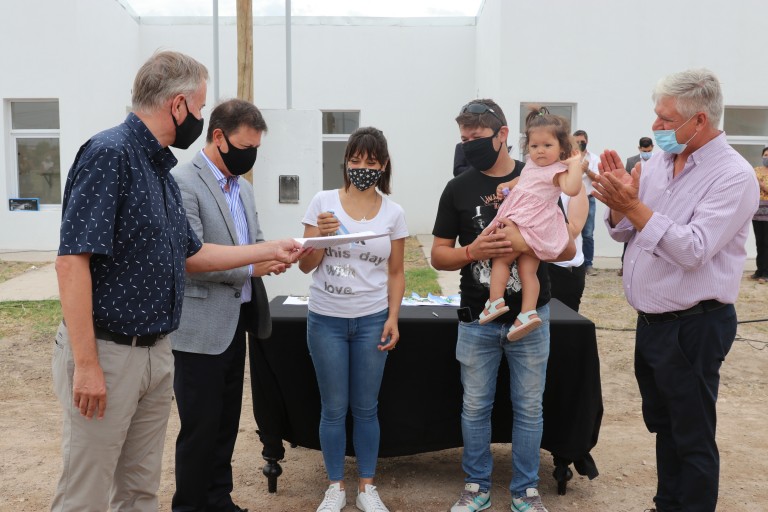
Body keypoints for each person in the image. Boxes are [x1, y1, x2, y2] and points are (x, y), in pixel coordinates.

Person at [51, 51, 303, 512]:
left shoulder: (161, 171)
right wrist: (86, 364)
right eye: (201, 108)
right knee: (85, 493)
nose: (201, 119)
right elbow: (71, 263)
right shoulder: (109, 154)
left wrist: (270, 249)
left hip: (155, 350)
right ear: (178, 104)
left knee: (139, 489)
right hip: (109, 352)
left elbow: (195, 253)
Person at [593, 68, 759, 512]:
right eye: (656, 115)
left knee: (692, 434)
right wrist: (619, 205)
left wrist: (634, 207)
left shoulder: (732, 176)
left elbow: (692, 249)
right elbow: (625, 231)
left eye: (666, 119)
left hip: (694, 325)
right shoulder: (660, 163)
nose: (656, 126)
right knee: (664, 425)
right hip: (653, 323)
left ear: (699, 120)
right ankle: (667, 504)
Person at [432, 99, 576, 512]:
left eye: (476, 137)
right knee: (474, 407)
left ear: (503, 135)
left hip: (531, 317)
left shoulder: (541, 174)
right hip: (477, 319)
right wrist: (472, 251)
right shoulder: (457, 188)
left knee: (529, 409)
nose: (469, 145)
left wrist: (524, 241)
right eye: (464, 139)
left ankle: (526, 490)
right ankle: (476, 486)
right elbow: (439, 255)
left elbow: (566, 247)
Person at [170, 99, 278, 512]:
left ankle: (219, 500)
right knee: (199, 428)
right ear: (219, 137)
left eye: (257, 149)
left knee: (226, 424)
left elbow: (254, 243)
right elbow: (192, 259)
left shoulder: (244, 188)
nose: (251, 156)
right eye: (246, 147)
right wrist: (254, 262)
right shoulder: (183, 181)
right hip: (199, 329)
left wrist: (274, 257)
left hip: (236, 322)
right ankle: (190, 505)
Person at [298, 127, 408, 512]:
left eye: (371, 162)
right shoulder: (323, 203)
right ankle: (335, 486)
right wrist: (321, 238)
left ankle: (366, 487)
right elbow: (305, 265)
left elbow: (396, 272)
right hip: (326, 319)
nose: (362, 168)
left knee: (366, 408)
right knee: (333, 408)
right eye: (355, 160)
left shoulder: (394, 213)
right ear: (346, 161)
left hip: (372, 320)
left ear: (384, 165)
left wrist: (393, 317)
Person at [478, 105, 582, 341]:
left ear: (562, 147)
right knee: (528, 270)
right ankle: (527, 313)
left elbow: (572, 189)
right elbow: (523, 179)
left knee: (501, 260)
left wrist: (575, 164)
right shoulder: (532, 165)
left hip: (528, 222)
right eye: (534, 146)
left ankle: (495, 301)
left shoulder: (558, 171)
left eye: (547, 145)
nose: (540, 151)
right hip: (530, 223)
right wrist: (508, 186)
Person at [548, 186, 589, 312]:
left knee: (562, 320)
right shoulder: (528, 180)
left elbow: (574, 230)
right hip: (532, 264)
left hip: (563, 268)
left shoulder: (575, 186)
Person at [618, 137, 654, 276]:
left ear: (652, 147)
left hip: (651, 201)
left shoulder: (660, 160)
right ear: (639, 148)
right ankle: (625, 264)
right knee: (630, 231)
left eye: (649, 151)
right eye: (644, 151)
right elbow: (626, 181)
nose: (647, 153)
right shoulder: (631, 161)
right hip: (634, 200)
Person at [573, 129, 600, 276]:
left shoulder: (594, 158)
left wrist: (587, 170)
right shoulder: (568, 157)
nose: (579, 144)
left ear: (587, 141)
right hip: (571, 199)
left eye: (581, 142)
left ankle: (588, 264)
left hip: (588, 199)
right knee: (571, 231)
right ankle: (574, 263)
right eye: (576, 142)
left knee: (588, 234)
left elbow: (598, 178)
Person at [751, 146, 768, 283]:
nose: (767, 157)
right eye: (766, 155)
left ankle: (766, 273)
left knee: (767, 243)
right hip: (757, 212)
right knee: (759, 242)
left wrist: (762, 185)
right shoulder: (755, 170)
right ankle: (759, 271)